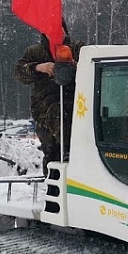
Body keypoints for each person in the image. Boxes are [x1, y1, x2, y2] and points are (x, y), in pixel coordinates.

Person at [15, 23, 84, 174]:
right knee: (52, 154)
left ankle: (69, 151)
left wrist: (75, 65)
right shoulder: (35, 52)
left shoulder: (77, 48)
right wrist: (38, 68)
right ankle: (54, 190)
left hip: (76, 104)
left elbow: (90, 68)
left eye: (59, 30)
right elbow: (19, 73)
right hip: (44, 108)